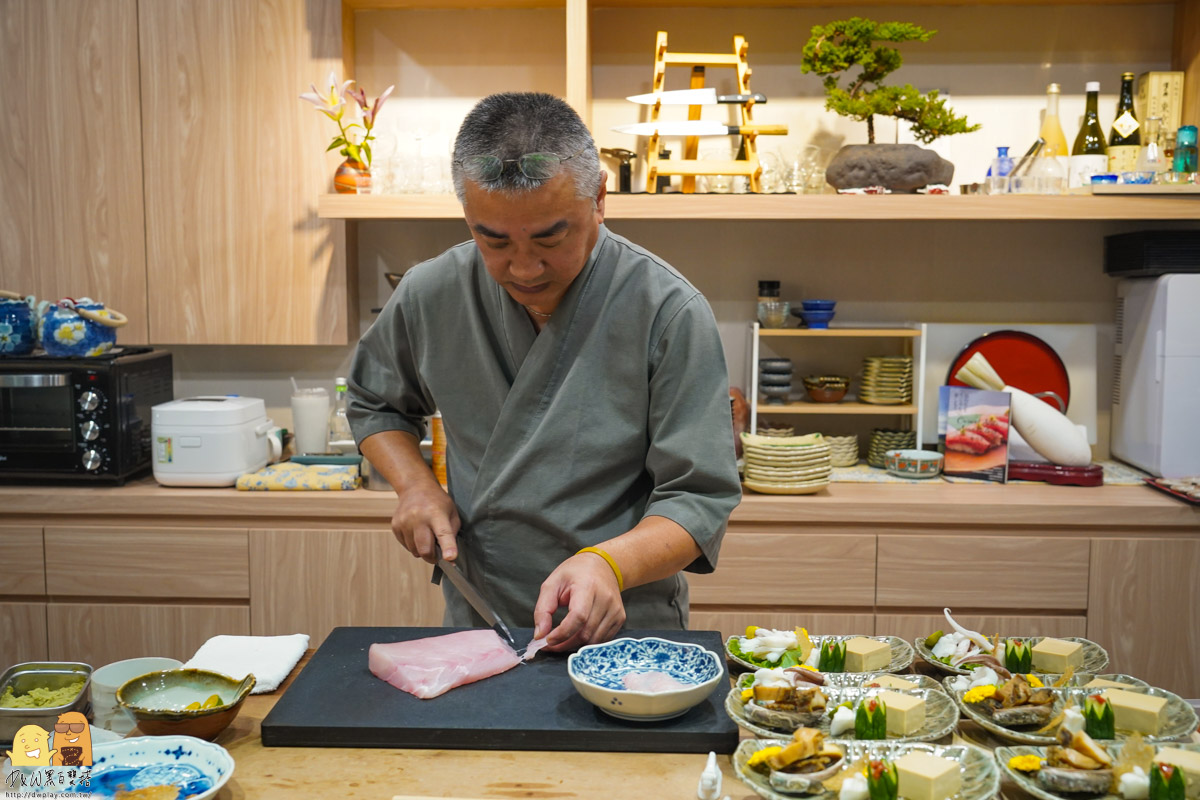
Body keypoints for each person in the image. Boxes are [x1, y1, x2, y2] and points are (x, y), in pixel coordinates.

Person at [347, 91, 739, 653]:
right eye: (494, 239)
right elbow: (374, 401)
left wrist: (608, 563)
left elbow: (698, 498)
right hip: (481, 616)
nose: (525, 268)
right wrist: (414, 487)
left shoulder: (666, 310)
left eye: (552, 237)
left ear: (600, 197)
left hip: (625, 622)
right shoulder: (432, 293)